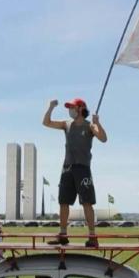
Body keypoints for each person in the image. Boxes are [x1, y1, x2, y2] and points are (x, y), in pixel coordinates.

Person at [43, 98, 107, 247]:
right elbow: (46, 122)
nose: (69, 110)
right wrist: (50, 107)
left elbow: (103, 138)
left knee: (87, 202)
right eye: (69, 107)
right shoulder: (66, 124)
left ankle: (92, 236)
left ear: (80, 109)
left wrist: (97, 123)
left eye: (72, 107)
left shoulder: (89, 126)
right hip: (67, 168)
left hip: (83, 168)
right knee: (63, 202)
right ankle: (63, 235)